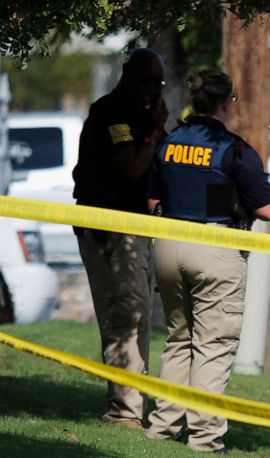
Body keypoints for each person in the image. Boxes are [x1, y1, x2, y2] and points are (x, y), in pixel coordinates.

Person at [145, 70, 270, 453]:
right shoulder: (234, 149)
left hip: (169, 245)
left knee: (178, 339)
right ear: (225, 103)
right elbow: (267, 211)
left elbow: (153, 202)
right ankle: (204, 437)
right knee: (213, 344)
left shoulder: (169, 142)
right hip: (216, 247)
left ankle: (164, 425)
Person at [71, 48, 168, 429]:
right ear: (128, 75)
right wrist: (157, 131)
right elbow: (130, 166)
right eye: (147, 80)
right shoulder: (111, 112)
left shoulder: (144, 115)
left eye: (158, 83)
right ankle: (123, 412)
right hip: (108, 229)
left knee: (138, 316)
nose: (153, 89)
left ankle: (132, 405)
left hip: (136, 228)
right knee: (123, 317)